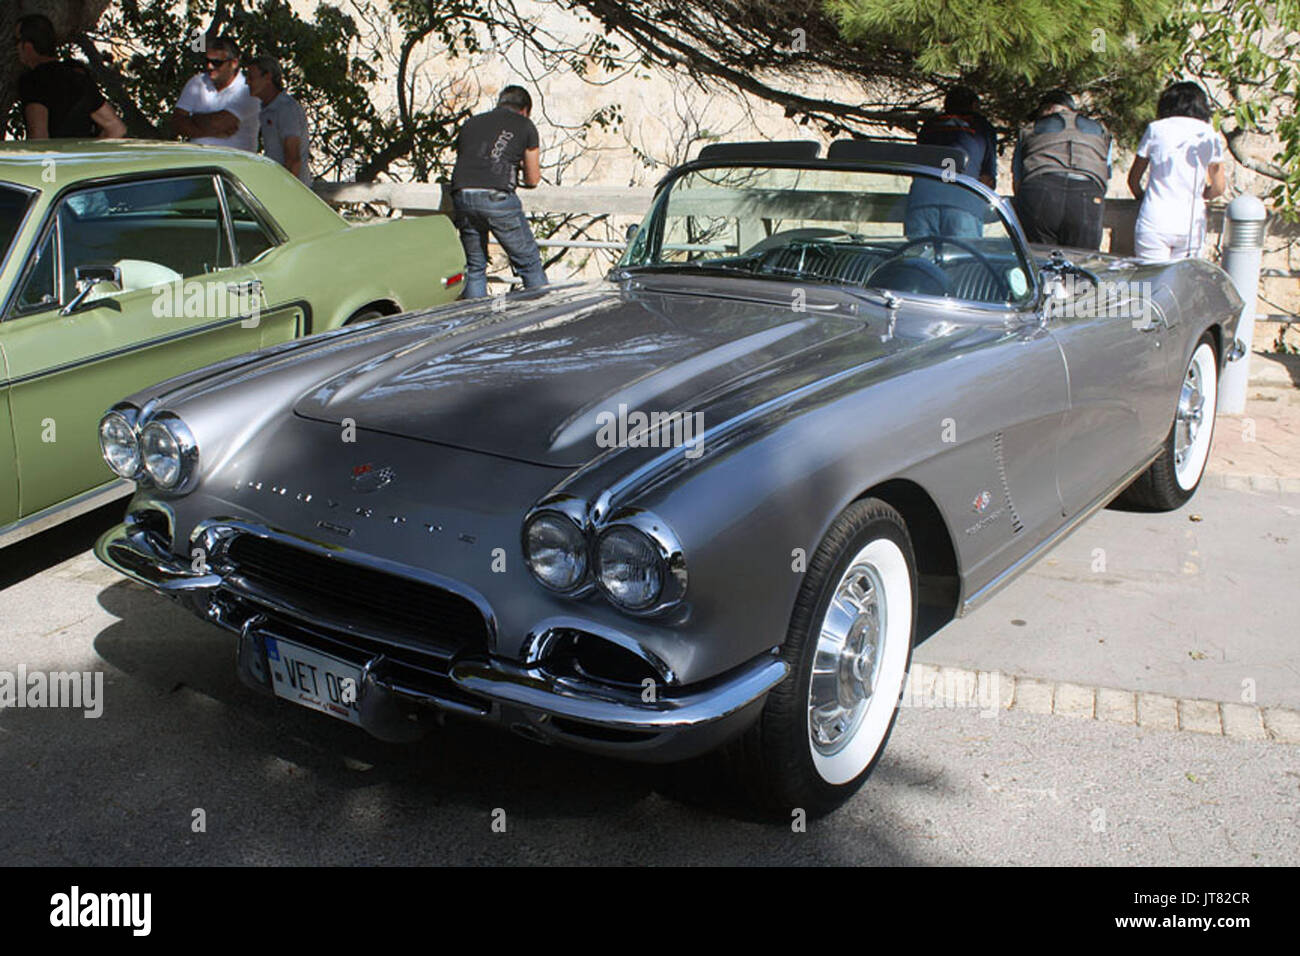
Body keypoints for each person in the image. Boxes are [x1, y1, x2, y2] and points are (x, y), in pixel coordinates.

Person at [449, 85, 546, 298]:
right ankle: (545, 320)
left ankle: (478, 324)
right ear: (525, 110)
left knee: (474, 267)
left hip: (462, 194)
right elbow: (533, 177)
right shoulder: (525, 125)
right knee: (529, 264)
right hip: (497, 198)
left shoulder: (471, 123)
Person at [1127, 82, 1227, 261]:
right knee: (1180, 286)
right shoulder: (1209, 135)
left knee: (1151, 283)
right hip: (1191, 223)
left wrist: (1143, 196)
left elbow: (1133, 179)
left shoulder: (1156, 129)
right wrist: (1201, 194)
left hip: (1154, 219)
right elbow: (1219, 187)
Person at [1012, 90, 1112, 250]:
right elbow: (1106, 176)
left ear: (1048, 109)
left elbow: (1018, 183)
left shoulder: (1030, 129)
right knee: (1076, 263)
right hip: (1085, 196)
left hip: (1041, 193)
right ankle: (1069, 277)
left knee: (1042, 261)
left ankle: (1048, 275)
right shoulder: (1100, 131)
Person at [905, 86, 998, 238]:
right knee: (962, 259)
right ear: (974, 106)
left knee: (918, 259)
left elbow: (917, 167)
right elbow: (987, 179)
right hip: (963, 203)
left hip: (922, 199)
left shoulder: (929, 126)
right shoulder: (983, 127)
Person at [15, 13, 125, 139]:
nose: (16, 47)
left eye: (17, 41)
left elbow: (38, 136)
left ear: (28, 46)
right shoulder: (78, 76)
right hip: (80, 155)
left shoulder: (33, 81)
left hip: (52, 157)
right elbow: (116, 128)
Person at [171, 36, 260, 152]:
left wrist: (192, 120)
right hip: (198, 163)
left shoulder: (249, 90)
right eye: (207, 61)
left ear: (234, 63)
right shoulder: (197, 82)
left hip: (233, 166)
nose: (209, 66)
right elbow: (177, 123)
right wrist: (212, 130)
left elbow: (220, 123)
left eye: (217, 62)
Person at [245, 56, 312, 185]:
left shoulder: (285, 109)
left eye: (251, 77)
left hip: (292, 192)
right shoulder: (266, 109)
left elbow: (293, 160)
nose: (247, 82)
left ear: (267, 77)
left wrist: (284, 193)